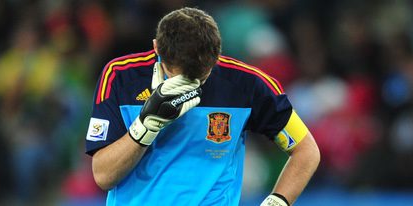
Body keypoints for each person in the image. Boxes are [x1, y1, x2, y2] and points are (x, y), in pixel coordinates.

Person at [85, 7, 320, 206]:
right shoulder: (121, 77)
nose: (190, 86)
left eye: (200, 77)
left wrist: (277, 202)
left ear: (216, 55)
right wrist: (143, 129)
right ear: (157, 48)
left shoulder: (247, 85)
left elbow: (306, 150)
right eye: (179, 77)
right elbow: (103, 176)